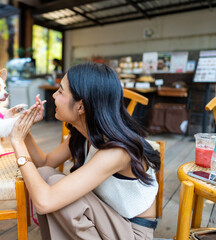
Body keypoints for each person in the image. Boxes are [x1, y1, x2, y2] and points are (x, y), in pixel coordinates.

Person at [10, 62, 161, 239]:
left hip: (132, 232)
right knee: (44, 174)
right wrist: (24, 131)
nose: (53, 96)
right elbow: (45, 163)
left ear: (81, 106)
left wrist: (17, 142)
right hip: (108, 218)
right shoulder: (84, 133)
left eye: (60, 91)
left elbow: (44, 202)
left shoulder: (117, 152)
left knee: (56, 193)